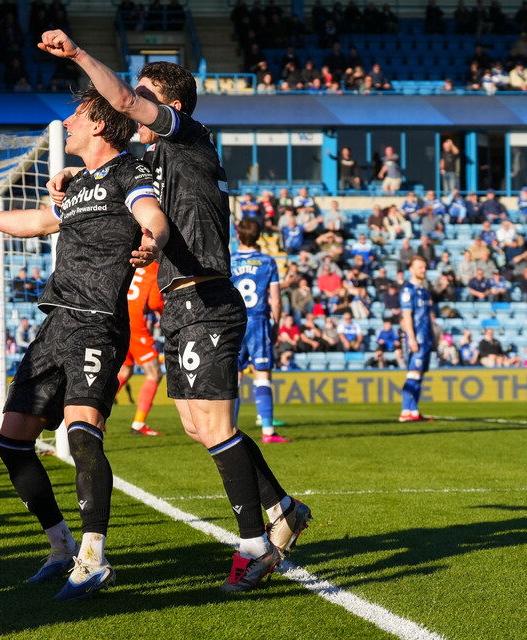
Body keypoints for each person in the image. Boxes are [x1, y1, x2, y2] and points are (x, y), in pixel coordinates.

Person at [39, 31, 312, 592]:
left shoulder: (188, 137)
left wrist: (80, 56)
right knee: (195, 425)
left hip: (208, 297)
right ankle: (284, 507)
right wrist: (77, 174)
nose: (129, 104)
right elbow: (119, 174)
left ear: (172, 106)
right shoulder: (153, 159)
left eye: (142, 96)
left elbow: (118, 106)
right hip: (181, 302)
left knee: (214, 425)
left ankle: (255, 546)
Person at [0, 86, 170, 602]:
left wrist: (153, 239)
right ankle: (61, 546)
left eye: (76, 116)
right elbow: (39, 222)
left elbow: (151, 213)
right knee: (11, 440)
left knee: (83, 432)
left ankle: (93, 559)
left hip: (96, 323)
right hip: (55, 324)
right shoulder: (78, 184)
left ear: (99, 126)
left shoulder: (129, 174)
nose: (67, 122)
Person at [231, 219, 290, 444]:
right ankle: (268, 431)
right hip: (258, 322)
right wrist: (275, 325)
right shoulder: (267, 262)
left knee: (233, 378)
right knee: (262, 375)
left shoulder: (230, 260)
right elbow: (276, 299)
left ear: (238, 234)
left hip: (236, 323)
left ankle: (230, 430)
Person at [115, 261, 165, 436]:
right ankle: (138, 424)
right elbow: (154, 302)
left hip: (119, 317)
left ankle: (95, 414)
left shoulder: (131, 262)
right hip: (136, 324)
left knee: (124, 371)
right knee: (154, 373)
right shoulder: (154, 269)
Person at [399, 256, 435, 422]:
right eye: (420, 267)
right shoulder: (408, 290)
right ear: (411, 269)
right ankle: (406, 411)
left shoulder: (425, 291)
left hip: (426, 338)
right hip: (417, 339)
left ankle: (413, 412)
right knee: (413, 374)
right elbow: (407, 316)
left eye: (424, 267)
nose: (423, 270)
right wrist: (411, 338)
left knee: (419, 375)